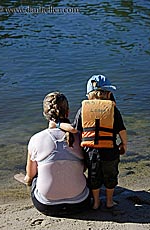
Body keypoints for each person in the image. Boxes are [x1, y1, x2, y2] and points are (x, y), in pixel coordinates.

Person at [50, 75, 127, 210]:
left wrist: (58, 124)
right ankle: (109, 201)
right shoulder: (113, 109)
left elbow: (73, 129)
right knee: (111, 176)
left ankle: (96, 202)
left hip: (91, 152)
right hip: (110, 151)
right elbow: (122, 130)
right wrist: (124, 144)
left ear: (88, 95)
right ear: (108, 94)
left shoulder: (83, 110)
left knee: (93, 177)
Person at [23, 92, 91, 217]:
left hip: (46, 205)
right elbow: (86, 167)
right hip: (80, 202)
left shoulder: (36, 139)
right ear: (68, 112)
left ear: (45, 114)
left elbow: (30, 176)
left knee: (36, 176)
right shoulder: (80, 137)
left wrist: (27, 181)